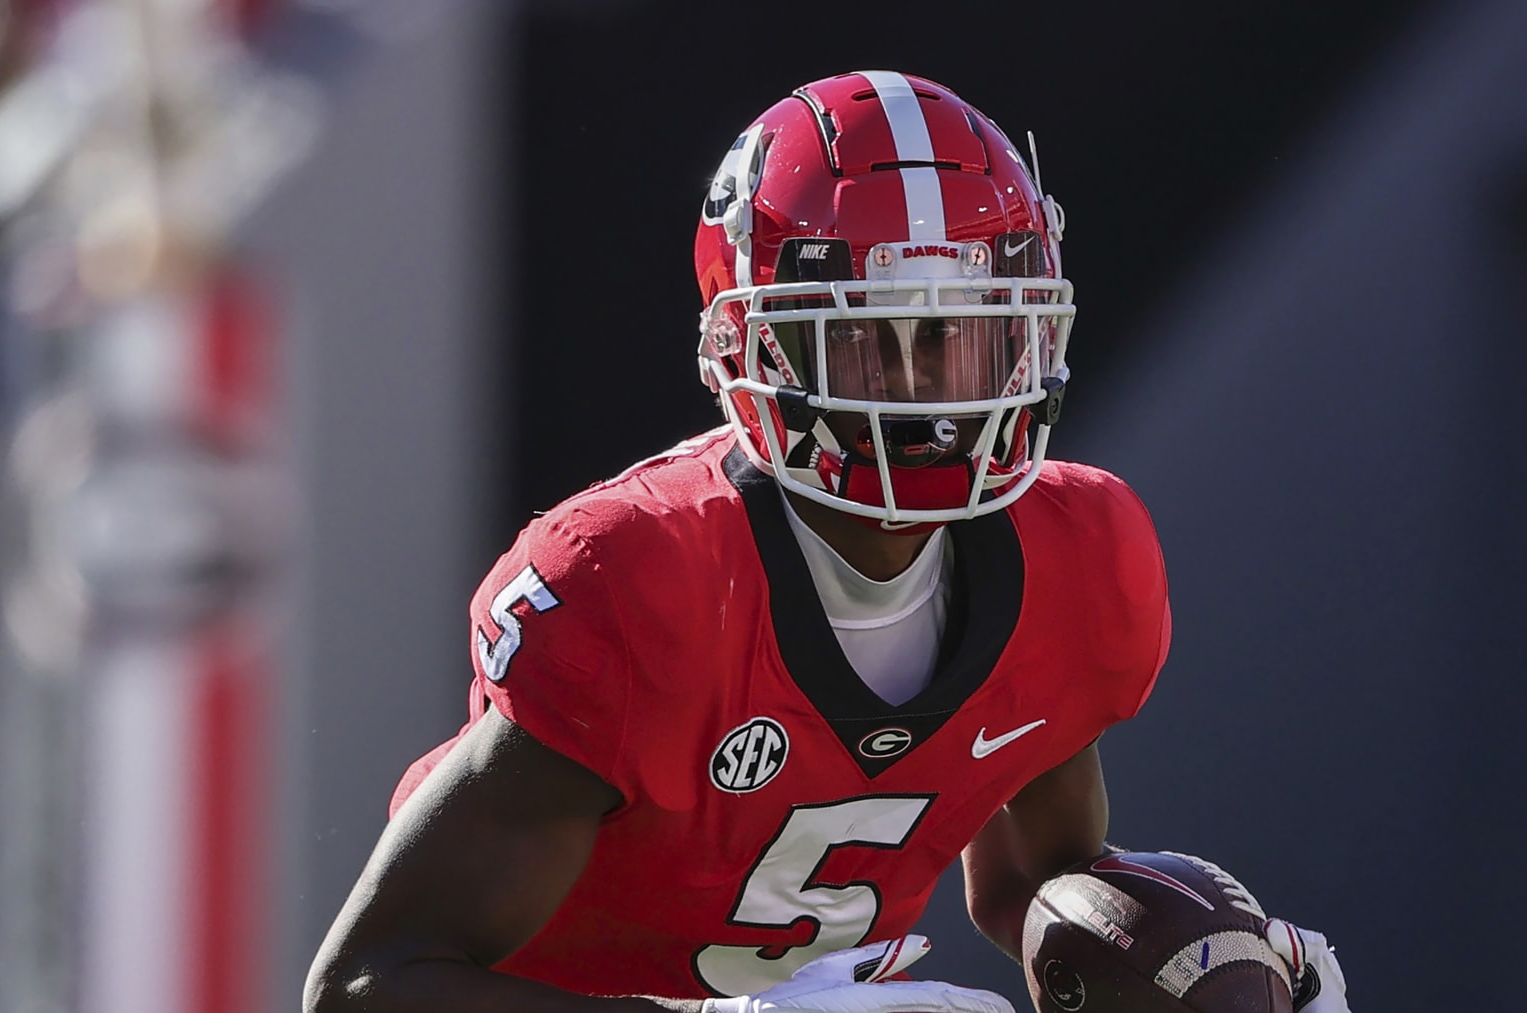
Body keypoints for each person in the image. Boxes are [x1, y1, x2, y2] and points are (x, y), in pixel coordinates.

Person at [305, 70, 1350, 1013]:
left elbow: (1041, 890)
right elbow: (367, 984)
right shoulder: (639, 580)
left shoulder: (1080, 552)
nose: (926, 387)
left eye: (961, 330)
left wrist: (1213, 969)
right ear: (748, 341)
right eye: (867, 335)